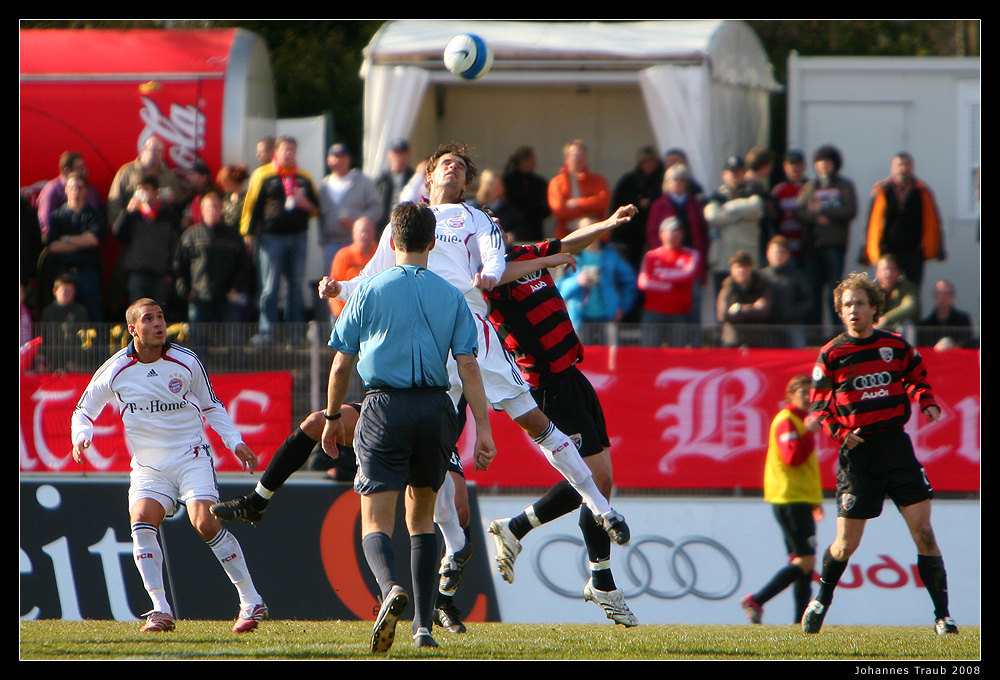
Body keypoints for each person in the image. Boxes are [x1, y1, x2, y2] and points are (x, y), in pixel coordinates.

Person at [320, 142, 631, 627]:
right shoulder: (405, 223)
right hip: (422, 332)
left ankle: (598, 506)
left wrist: (490, 270)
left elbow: (497, 257)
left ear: (465, 183)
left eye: (461, 166)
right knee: (431, 448)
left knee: (533, 419)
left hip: (467, 321)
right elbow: (371, 274)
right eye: (446, 163)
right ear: (428, 177)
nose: (453, 169)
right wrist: (338, 288)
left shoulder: (477, 218)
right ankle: (454, 549)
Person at [324, 201, 495, 652]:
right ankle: (423, 627)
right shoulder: (452, 296)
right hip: (436, 411)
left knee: (375, 521)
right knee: (421, 521)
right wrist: (485, 430)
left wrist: (330, 417)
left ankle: (388, 590)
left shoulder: (367, 290)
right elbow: (469, 367)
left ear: (393, 241)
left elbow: (341, 366)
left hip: (384, 408)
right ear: (433, 242)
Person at [484, 203, 641, 628]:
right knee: (597, 480)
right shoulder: (486, 276)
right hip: (548, 386)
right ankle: (602, 582)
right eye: (487, 228)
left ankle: (515, 528)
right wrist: (551, 260)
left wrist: (607, 224)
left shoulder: (522, 256)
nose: (494, 232)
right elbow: (507, 275)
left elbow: (567, 242)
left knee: (600, 478)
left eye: (496, 226)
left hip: (573, 376)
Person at [71, 298, 267, 634]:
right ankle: (159, 608)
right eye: (149, 319)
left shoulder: (186, 361)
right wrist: (81, 436)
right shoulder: (116, 368)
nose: (159, 324)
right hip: (149, 466)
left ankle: (251, 600)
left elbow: (212, 406)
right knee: (141, 519)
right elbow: (84, 410)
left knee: (205, 522)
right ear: (133, 329)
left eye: (161, 317)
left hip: (190, 456)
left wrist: (235, 442)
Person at [802, 271, 956, 636]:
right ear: (840, 313)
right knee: (845, 545)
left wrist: (927, 402)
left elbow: (917, 378)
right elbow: (819, 408)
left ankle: (942, 616)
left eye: (859, 303)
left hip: (896, 449)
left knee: (925, 533)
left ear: (874, 307)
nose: (853, 310)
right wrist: (839, 432)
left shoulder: (897, 345)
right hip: (859, 456)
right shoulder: (831, 354)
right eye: (846, 305)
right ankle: (821, 599)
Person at [740, 374, 823, 625]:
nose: (808, 398)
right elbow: (792, 458)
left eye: (812, 394)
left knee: (801, 564)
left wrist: (815, 500)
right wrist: (809, 433)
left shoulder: (798, 420)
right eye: (803, 393)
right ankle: (757, 599)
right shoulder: (788, 421)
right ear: (790, 396)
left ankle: (800, 623)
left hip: (797, 498)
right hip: (790, 499)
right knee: (806, 561)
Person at [240, 135, 320, 345]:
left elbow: (316, 209)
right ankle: (267, 332)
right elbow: (251, 205)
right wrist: (247, 233)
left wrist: (305, 205)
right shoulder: (262, 175)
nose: (289, 153)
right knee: (270, 286)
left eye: (292, 150)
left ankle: (295, 335)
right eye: (285, 150)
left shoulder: (303, 176)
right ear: (276, 152)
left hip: (298, 237)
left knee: (296, 285)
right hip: (271, 238)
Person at [795, 144, 858, 326]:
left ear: (835, 164)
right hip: (812, 245)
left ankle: (837, 332)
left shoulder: (845, 185)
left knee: (835, 290)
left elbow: (850, 211)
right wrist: (815, 217)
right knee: (813, 290)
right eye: (820, 162)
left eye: (827, 162)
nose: (823, 166)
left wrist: (825, 211)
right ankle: (814, 332)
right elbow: (799, 212)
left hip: (834, 245)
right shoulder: (809, 186)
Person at [862, 152, 944, 289]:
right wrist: (867, 252)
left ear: (912, 168)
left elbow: (933, 222)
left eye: (906, 165)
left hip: (913, 250)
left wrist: (935, 248)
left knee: (912, 289)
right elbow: (871, 224)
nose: (903, 168)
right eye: (899, 165)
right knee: (885, 290)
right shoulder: (882, 191)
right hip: (888, 251)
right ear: (892, 168)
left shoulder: (922, 192)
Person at [173, 191, 254, 324]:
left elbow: (244, 265)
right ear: (202, 210)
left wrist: (235, 287)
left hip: (228, 297)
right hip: (199, 297)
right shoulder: (191, 235)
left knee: (232, 342)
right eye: (209, 207)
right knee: (199, 342)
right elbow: (179, 265)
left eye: (216, 207)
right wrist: (185, 291)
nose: (213, 211)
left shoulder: (233, 236)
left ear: (221, 210)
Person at [645, 163, 710, 323]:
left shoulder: (695, 204)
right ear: (667, 182)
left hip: (691, 262)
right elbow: (652, 233)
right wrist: (661, 258)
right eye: (675, 179)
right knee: (669, 307)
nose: (679, 183)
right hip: (667, 263)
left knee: (693, 305)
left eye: (682, 179)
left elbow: (703, 233)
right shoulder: (659, 205)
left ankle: (694, 346)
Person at [112, 173, 182, 311]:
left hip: (161, 275)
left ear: (156, 192)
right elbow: (118, 234)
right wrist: (127, 212)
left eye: (146, 189)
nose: (141, 193)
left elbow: (175, 245)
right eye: (139, 189)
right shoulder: (133, 214)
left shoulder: (168, 215)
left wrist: (170, 272)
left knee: (158, 313)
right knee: (139, 313)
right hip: (137, 274)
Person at [43, 172, 106, 322]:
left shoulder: (94, 215)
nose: (76, 191)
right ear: (66, 189)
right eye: (72, 187)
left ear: (86, 190)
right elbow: (53, 247)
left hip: (88, 273)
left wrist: (66, 239)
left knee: (94, 317)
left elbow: (93, 240)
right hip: (64, 273)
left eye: (80, 187)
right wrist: (81, 241)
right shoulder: (56, 217)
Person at [555, 224, 638, 332]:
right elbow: (557, 290)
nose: (590, 233)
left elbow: (630, 281)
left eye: (593, 229)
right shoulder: (570, 257)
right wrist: (576, 281)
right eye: (585, 229)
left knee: (608, 350)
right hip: (579, 318)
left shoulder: (612, 255)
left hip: (608, 317)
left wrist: (623, 307)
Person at [704, 155, 765, 298]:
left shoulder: (753, 191)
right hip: (723, 260)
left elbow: (756, 207)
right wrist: (740, 216)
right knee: (723, 301)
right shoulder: (717, 196)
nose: (735, 175)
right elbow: (712, 216)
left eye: (738, 171)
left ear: (744, 173)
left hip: (748, 258)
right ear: (724, 175)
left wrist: (728, 207)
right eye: (732, 172)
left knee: (749, 301)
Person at [318, 143, 382, 276]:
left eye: (342, 156)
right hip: (332, 244)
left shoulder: (363, 182)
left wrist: (357, 223)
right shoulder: (324, 185)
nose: (339, 160)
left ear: (349, 159)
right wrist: (322, 239)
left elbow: (377, 207)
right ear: (328, 160)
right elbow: (320, 214)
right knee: (333, 284)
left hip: (358, 245)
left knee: (358, 281)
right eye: (335, 156)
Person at [637, 216, 700, 347]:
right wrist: (667, 286)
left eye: (679, 231)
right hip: (653, 312)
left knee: (677, 354)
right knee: (648, 352)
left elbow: (688, 273)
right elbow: (643, 282)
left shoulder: (691, 254)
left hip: (679, 312)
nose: (676, 234)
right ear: (661, 234)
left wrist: (661, 274)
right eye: (672, 230)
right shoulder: (651, 256)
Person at [610, 145, 664, 271]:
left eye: (652, 160)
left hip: (657, 234)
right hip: (630, 236)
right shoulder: (629, 181)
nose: (649, 164)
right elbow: (617, 206)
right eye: (645, 161)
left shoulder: (662, 180)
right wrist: (638, 204)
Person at [107, 135, 183, 225]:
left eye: (159, 151)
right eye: (153, 150)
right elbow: (114, 201)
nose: (156, 154)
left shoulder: (168, 174)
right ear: (143, 150)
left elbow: (179, 200)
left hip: (160, 226)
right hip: (134, 225)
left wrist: (174, 200)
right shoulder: (128, 172)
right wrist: (118, 225)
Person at [548, 139, 610, 238]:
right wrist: (589, 210)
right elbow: (559, 211)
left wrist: (577, 203)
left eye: (582, 155)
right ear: (566, 159)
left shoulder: (598, 180)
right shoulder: (556, 183)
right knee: (587, 222)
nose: (580, 159)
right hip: (567, 235)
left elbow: (603, 203)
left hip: (596, 234)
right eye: (576, 155)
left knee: (588, 223)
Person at [36, 150, 105, 238]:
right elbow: (45, 220)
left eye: (85, 166)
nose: (85, 169)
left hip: (89, 243)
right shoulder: (53, 189)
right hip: (62, 244)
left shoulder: (90, 189)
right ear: (67, 170)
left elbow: (101, 211)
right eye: (80, 167)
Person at [758, 235, 812, 348]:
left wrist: (793, 313)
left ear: (788, 255)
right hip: (767, 328)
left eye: (782, 252)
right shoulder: (759, 277)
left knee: (798, 359)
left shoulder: (797, 275)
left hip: (793, 326)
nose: (778, 255)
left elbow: (808, 299)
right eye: (775, 252)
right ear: (768, 254)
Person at [716, 250, 772, 348]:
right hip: (732, 340)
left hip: (757, 340)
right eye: (738, 267)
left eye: (744, 266)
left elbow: (764, 312)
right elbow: (723, 316)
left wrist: (736, 310)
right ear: (732, 269)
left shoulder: (761, 286)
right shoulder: (727, 289)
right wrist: (751, 307)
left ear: (750, 268)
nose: (741, 270)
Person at [328, 217, 378, 318]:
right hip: (346, 313)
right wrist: (341, 314)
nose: (364, 235)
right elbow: (334, 285)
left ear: (374, 234)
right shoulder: (343, 255)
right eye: (361, 232)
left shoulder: (380, 254)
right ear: (354, 234)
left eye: (368, 231)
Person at [501, 146, 551, 243]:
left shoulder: (539, 182)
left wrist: (537, 214)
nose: (534, 163)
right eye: (531, 160)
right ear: (523, 161)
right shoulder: (508, 182)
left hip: (534, 228)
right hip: (514, 228)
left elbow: (547, 207)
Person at [770, 150, 808, 265]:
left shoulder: (810, 187)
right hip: (786, 249)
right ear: (785, 167)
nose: (794, 168)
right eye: (791, 164)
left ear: (803, 166)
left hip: (808, 247)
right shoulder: (779, 190)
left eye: (798, 164)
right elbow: (773, 219)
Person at [918, 279, 976, 349]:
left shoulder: (963, 320)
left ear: (952, 296)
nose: (942, 298)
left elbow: (969, 343)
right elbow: (923, 347)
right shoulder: (926, 324)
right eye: (939, 294)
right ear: (934, 297)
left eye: (945, 294)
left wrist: (954, 347)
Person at [374, 138, 415, 233]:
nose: (398, 156)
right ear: (389, 155)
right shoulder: (381, 180)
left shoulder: (413, 177)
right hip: (385, 226)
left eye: (402, 153)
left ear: (407, 155)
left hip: (408, 226)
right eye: (396, 153)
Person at [873, 253, 919, 332]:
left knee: (907, 324)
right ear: (877, 272)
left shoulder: (907, 287)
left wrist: (886, 319)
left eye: (892, 269)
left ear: (898, 271)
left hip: (896, 328)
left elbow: (910, 307)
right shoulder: (871, 290)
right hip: (875, 328)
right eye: (885, 269)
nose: (888, 273)